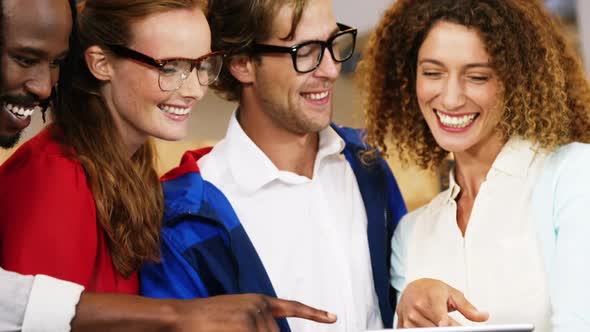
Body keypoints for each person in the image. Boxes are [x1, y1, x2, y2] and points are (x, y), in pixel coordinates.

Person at [0, 0, 335, 331]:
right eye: (171, 67)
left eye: (202, 65)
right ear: (101, 63)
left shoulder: (129, 171)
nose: (194, 90)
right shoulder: (54, 178)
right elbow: (33, 321)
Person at [141, 0, 408, 331]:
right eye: (307, 51)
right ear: (242, 63)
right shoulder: (183, 216)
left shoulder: (367, 165)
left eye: (332, 42)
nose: (331, 70)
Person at [357, 0, 590, 330]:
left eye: (477, 76)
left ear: (517, 81)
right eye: (433, 73)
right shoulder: (411, 235)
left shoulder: (573, 177)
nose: (451, 98)